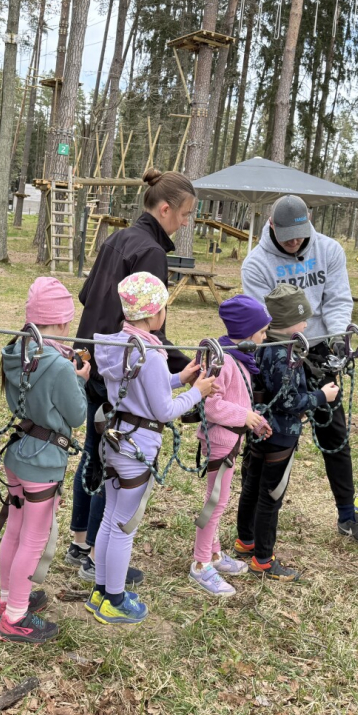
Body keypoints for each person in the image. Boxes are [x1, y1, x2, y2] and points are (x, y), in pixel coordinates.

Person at [67, 169, 196, 583]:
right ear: (165, 209)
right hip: (119, 369)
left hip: (90, 358)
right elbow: (151, 328)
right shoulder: (151, 252)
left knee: (94, 452)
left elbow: (88, 296)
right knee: (115, 461)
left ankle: (79, 543)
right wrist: (180, 368)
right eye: (186, 213)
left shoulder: (117, 238)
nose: (187, 221)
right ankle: (98, 561)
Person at [240, 195, 358, 547]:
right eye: (287, 235)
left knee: (335, 434)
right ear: (271, 225)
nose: (295, 242)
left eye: (300, 234)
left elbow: (337, 298)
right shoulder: (256, 264)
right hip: (277, 353)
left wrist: (336, 341)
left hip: (321, 348)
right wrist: (290, 352)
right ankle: (250, 529)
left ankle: (348, 516)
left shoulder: (329, 249)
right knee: (266, 441)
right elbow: (262, 319)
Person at [88, 272, 216, 624]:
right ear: (155, 313)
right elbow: (164, 410)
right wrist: (198, 393)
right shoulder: (153, 354)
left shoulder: (121, 346)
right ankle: (114, 599)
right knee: (125, 527)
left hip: (116, 437)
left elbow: (144, 388)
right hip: (139, 446)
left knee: (111, 519)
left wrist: (181, 379)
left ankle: (101, 590)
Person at [0, 278, 90, 644]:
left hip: (18, 452)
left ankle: (8, 599)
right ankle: (15, 616)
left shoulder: (16, 350)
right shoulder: (61, 367)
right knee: (33, 539)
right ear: (63, 323)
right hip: (43, 460)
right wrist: (78, 379)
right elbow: (77, 415)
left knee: (15, 530)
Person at [236, 285, 345, 578]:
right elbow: (288, 402)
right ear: (287, 323)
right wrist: (322, 396)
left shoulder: (262, 346)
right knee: (271, 494)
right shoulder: (285, 356)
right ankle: (263, 560)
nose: (308, 324)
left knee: (252, 485)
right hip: (281, 435)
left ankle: (245, 540)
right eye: (303, 318)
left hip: (259, 430)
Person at [189, 295, 272, 596]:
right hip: (220, 441)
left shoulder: (238, 358)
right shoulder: (222, 360)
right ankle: (200, 564)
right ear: (248, 331)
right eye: (262, 331)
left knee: (219, 501)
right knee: (215, 504)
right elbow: (211, 406)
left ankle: (213, 554)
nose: (265, 337)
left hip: (231, 439)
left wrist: (255, 420)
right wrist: (244, 416)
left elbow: (240, 401)